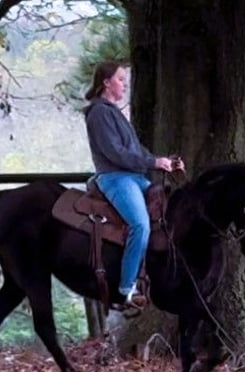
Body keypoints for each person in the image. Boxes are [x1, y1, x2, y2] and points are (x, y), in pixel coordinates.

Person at [83, 61, 184, 309]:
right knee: (140, 224)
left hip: (135, 177)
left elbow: (136, 149)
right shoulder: (99, 113)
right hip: (116, 178)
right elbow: (115, 153)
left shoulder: (114, 112)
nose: (124, 84)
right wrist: (152, 162)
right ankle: (126, 290)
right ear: (106, 82)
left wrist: (165, 163)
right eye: (120, 79)